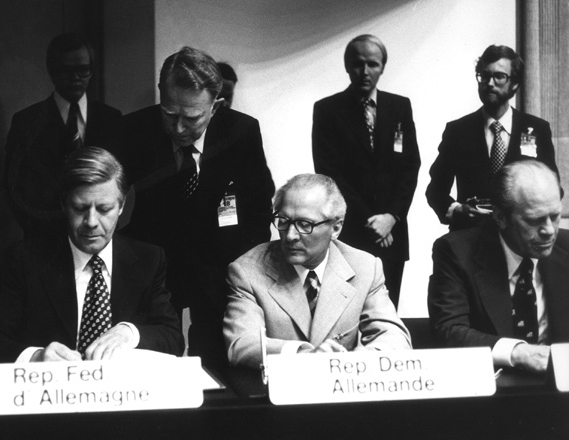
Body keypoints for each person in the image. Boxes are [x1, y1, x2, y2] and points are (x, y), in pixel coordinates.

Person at [121, 47, 274, 367]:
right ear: (161, 92)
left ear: (216, 106)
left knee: (219, 359)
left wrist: (247, 266)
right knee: (156, 360)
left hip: (222, 264)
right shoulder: (133, 131)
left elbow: (259, 205)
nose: (178, 128)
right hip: (155, 268)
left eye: (191, 118)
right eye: (169, 113)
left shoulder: (242, 132)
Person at [0, 147, 184, 363]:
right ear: (64, 204)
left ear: (121, 206)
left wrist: (129, 333)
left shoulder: (149, 259)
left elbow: (173, 338)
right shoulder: (24, 260)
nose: (91, 222)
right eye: (80, 208)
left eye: (104, 209)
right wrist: (36, 357)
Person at [223, 174, 411, 369]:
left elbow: (395, 337)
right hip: (279, 393)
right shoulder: (247, 271)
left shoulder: (365, 267)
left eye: (305, 224)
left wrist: (355, 361)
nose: (291, 235)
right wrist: (305, 356)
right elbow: (242, 345)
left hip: (340, 393)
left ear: (336, 228)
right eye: (283, 221)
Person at [428, 160, 569, 373]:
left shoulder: (566, 248)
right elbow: (449, 330)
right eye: (534, 220)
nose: (549, 231)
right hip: (492, 387)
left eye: (555, 216)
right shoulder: (455, 252)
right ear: (500, 217)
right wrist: (519, 353)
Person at [312, 34, 421, 308]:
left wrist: (392, 217)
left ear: (383, 66)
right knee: (347, 312)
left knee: (387, 310)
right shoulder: (327, 110)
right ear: (347, 66)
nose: (365, 71)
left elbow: (410, 166)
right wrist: (372, 220)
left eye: (372, 64)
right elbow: (330, 173)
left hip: (392, 234)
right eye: (358, 64)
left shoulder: (400, 107)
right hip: (351, 232)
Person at [426, 45, 558, 231]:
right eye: (484, 76)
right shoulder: (457, 131)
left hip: (521, 239)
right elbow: (436, 190)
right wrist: (458, 210)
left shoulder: (537, 129)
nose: (490, 83)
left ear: (515, 84)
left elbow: (554, 188)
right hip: (471, 241)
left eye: (499, 76)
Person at [4, 32, 122, 238]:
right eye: (66, 70)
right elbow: (13, 189)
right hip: (44, 239)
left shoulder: (112, 119)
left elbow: (121, 185)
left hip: (98, 238)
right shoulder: (27, 122)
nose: (75, 78)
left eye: (83, 70)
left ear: (92, 71)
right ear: (52, 71)